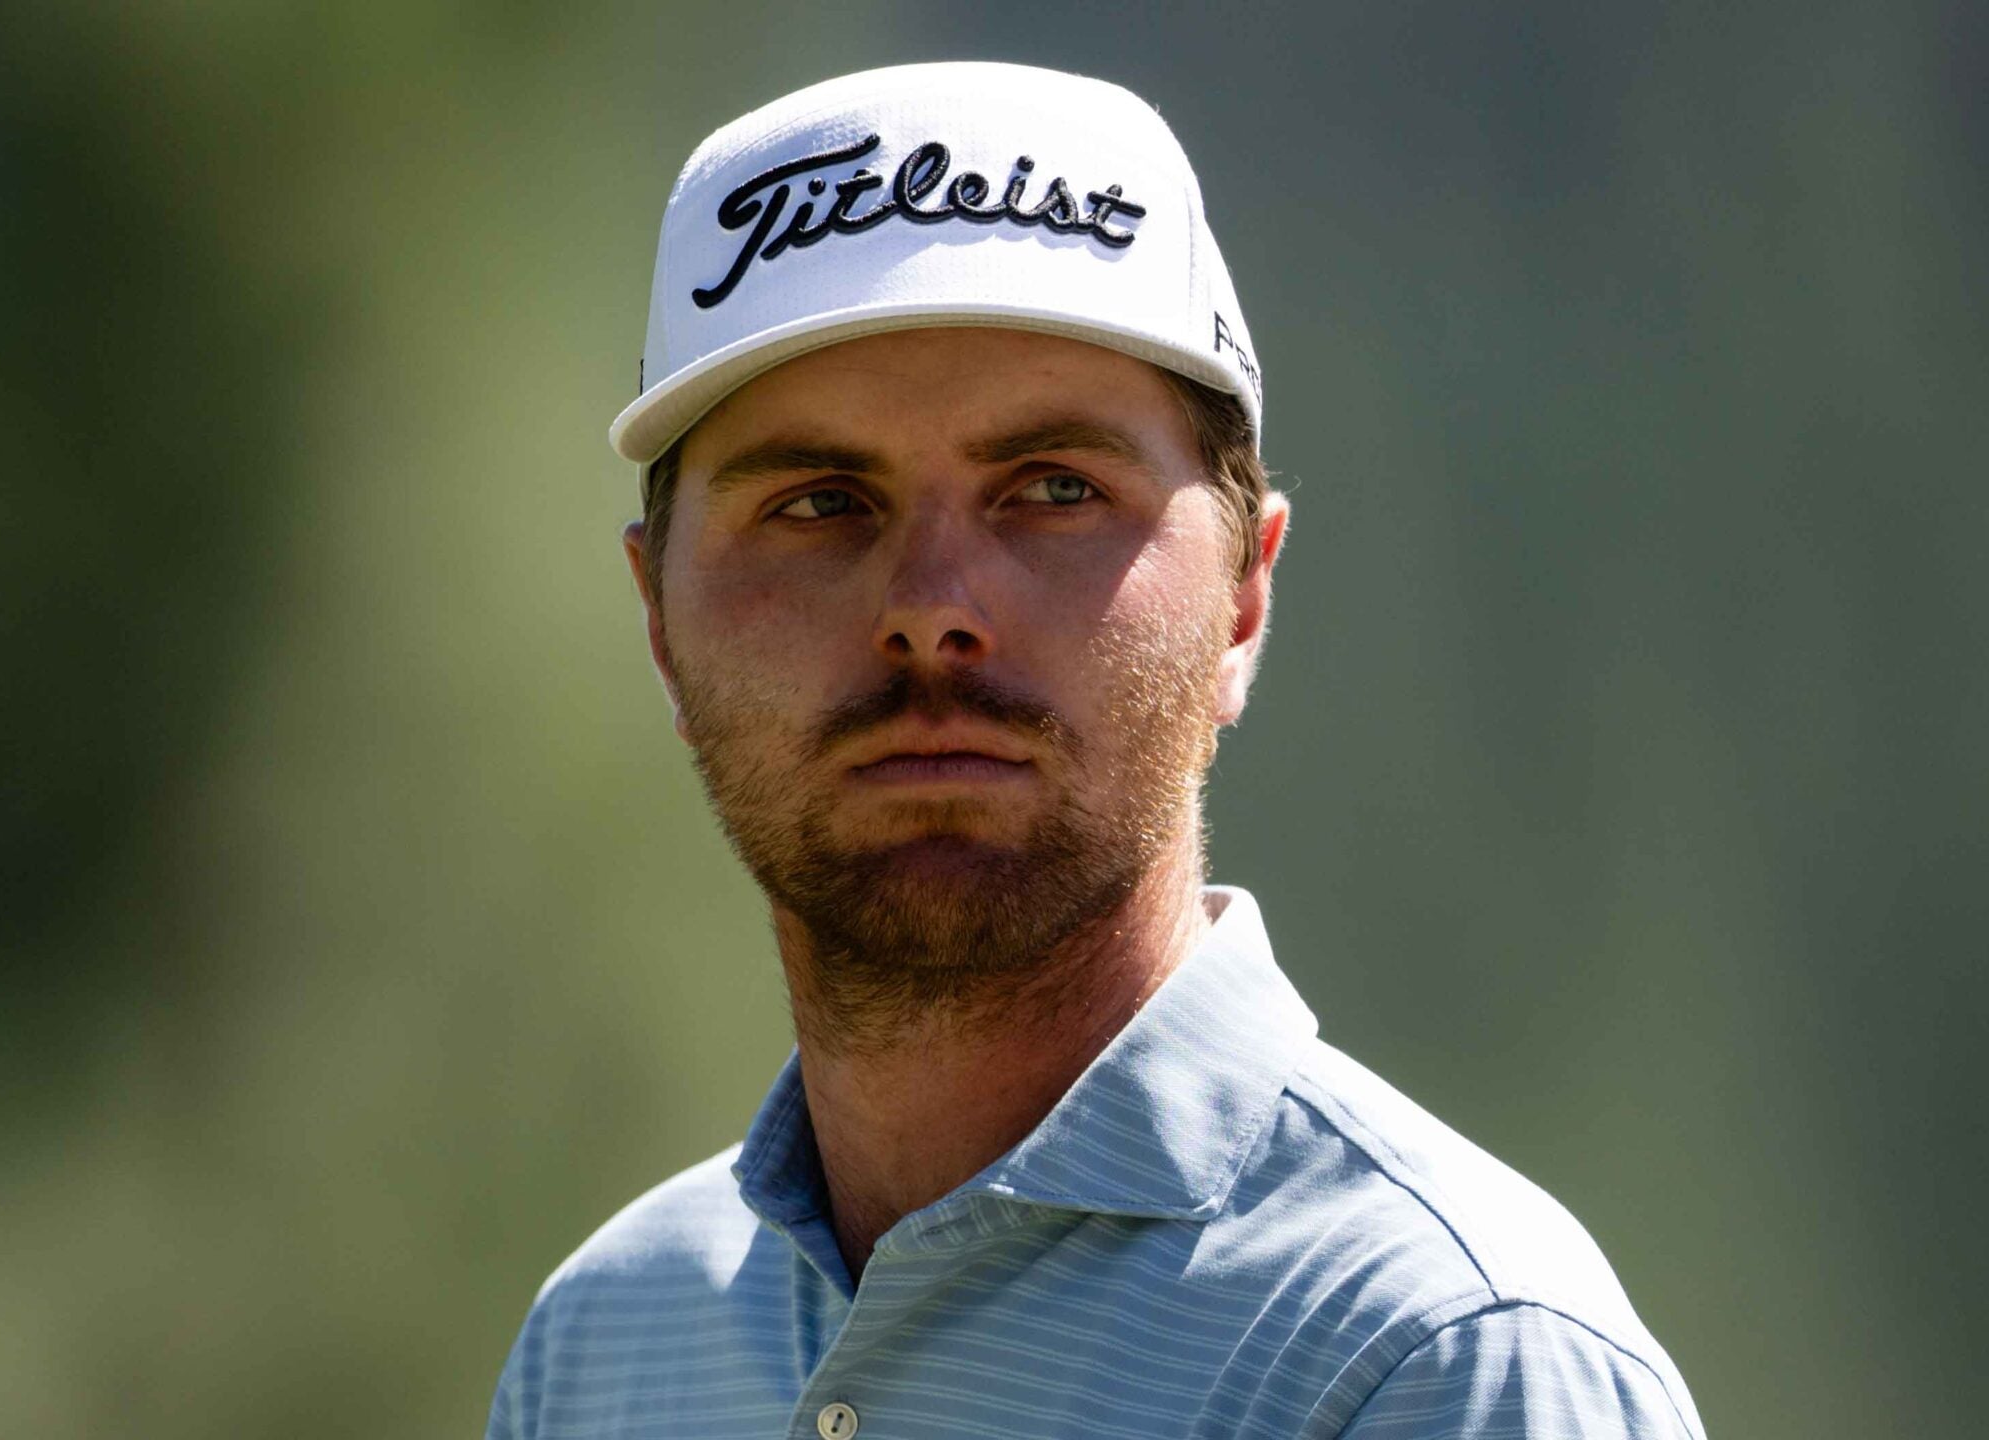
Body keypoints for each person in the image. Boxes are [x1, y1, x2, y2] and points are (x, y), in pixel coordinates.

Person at [489, 62, 1705, 1439]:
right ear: (658, 615)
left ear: (1244, 598)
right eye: (820, 501)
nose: (933, 608)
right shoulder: (603, 1347)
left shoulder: (1441, 1361)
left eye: (1057, 490)